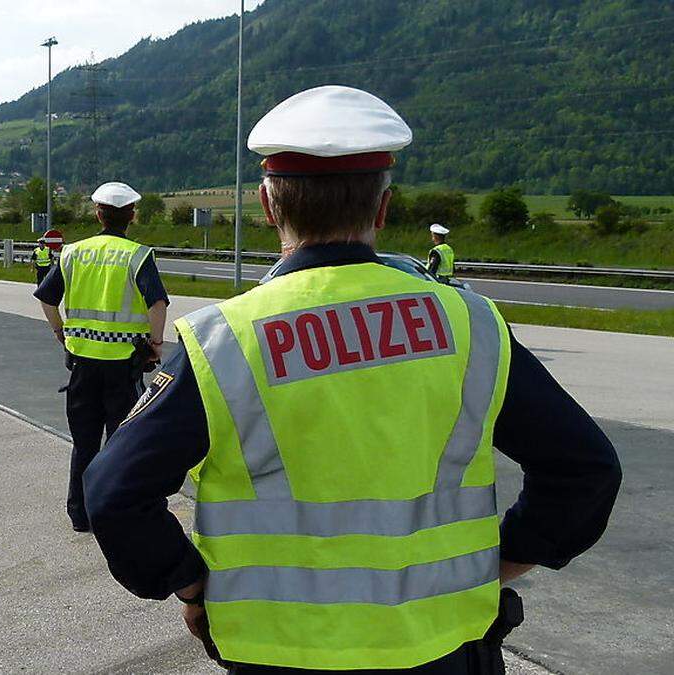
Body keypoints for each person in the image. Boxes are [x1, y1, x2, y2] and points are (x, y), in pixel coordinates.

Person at [83, 86, 621, 674]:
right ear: (383, 209)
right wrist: (501, 563)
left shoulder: (221, 340)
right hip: (443, 645)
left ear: (268, 206)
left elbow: (114, 492)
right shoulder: (473, 325)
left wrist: (188, 584)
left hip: (277, 651)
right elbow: (585, 470)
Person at [34, 181, 169, 533]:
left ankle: (80, 513)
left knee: (84, 442)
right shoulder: (137, 256)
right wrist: (155, 344)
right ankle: (115, 511)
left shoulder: (73, 253)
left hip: (81, 365)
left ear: (97, 213)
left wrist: (61, 334)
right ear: (132, 216)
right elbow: (157, 303)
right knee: (122, 441)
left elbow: (47, 299)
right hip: (124, 366)